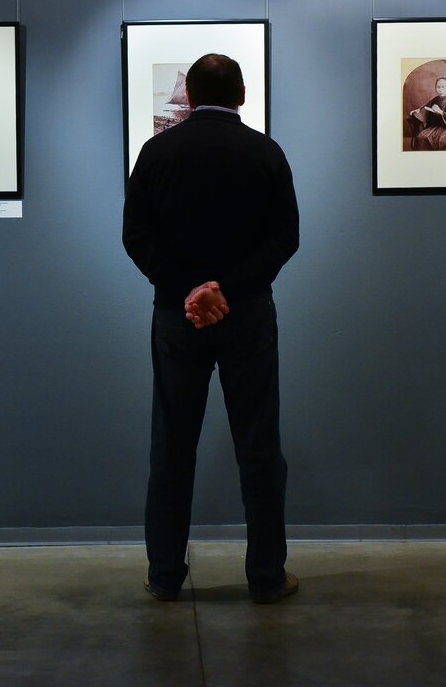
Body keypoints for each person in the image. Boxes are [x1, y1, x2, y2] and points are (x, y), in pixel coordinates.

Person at [123, 53, 300, 605]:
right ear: (242, 94)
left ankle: (164, 575)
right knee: (259, 446)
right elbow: (285, 237)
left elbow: (136, 236)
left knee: (172, 445)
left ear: (191, 97)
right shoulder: (266, 152)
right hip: (247, 314)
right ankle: (266, 577)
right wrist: (225, 288)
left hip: (178, 317)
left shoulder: (156, 152)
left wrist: (190, 290)